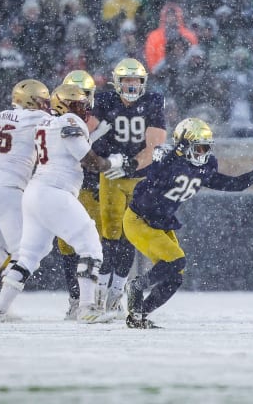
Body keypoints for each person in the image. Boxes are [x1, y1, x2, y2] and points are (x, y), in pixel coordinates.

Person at [123, 118, 253, 328]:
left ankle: (138, 315)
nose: (203, 154)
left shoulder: (203, 168)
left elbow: (233, 184)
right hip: (139, 219)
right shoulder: (167, 159)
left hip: (160, 224)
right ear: (183, 145)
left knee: (175, 277)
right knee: (176, 261)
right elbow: (153, 181)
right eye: (198, 148)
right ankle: (137, 286)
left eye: (206, 148)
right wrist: (170, 156)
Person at [0, 84, 124, 323]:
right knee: (91, 246)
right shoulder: (69, 121)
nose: (83, 109)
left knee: (29, 256)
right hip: (55, 191)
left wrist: (94, 136)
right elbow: (90, 162)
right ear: (66, 105)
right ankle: (85, 308)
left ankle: (0, 311)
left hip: (35, 192)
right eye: (78, 104)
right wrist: (113, 162)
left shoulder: (47, 122)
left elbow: (67, 146)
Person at [89, 58, 167, 319]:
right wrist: (91, 136)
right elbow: (85, 130)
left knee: (128, 236)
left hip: (139, 176)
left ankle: (116, 295)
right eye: (127, 80)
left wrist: (131, 164)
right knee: (109, 234)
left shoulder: (153, 102)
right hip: (110, 174)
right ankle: (99, 295)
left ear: (143, 82)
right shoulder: (104, 101)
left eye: (136, 80)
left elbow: (154, 146)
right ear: (117, 82)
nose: (132, 85)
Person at [0, 79, 51, 320]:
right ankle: (3, 308)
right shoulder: (33, 118)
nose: (45, 106)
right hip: (8, 186)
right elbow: (56, 122)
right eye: (41, 102)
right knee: (24, 251)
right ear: (30, 101)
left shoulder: (2, 115)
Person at [55, 70, 111, 320]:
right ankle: (77, 299)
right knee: (68, 245)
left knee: (99, 243)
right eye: (72, 95)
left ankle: (99, 298)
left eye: (84, 95)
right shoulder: (57, 119)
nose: (78, 101)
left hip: (93, 187)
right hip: (65, 188)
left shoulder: (104, 114)